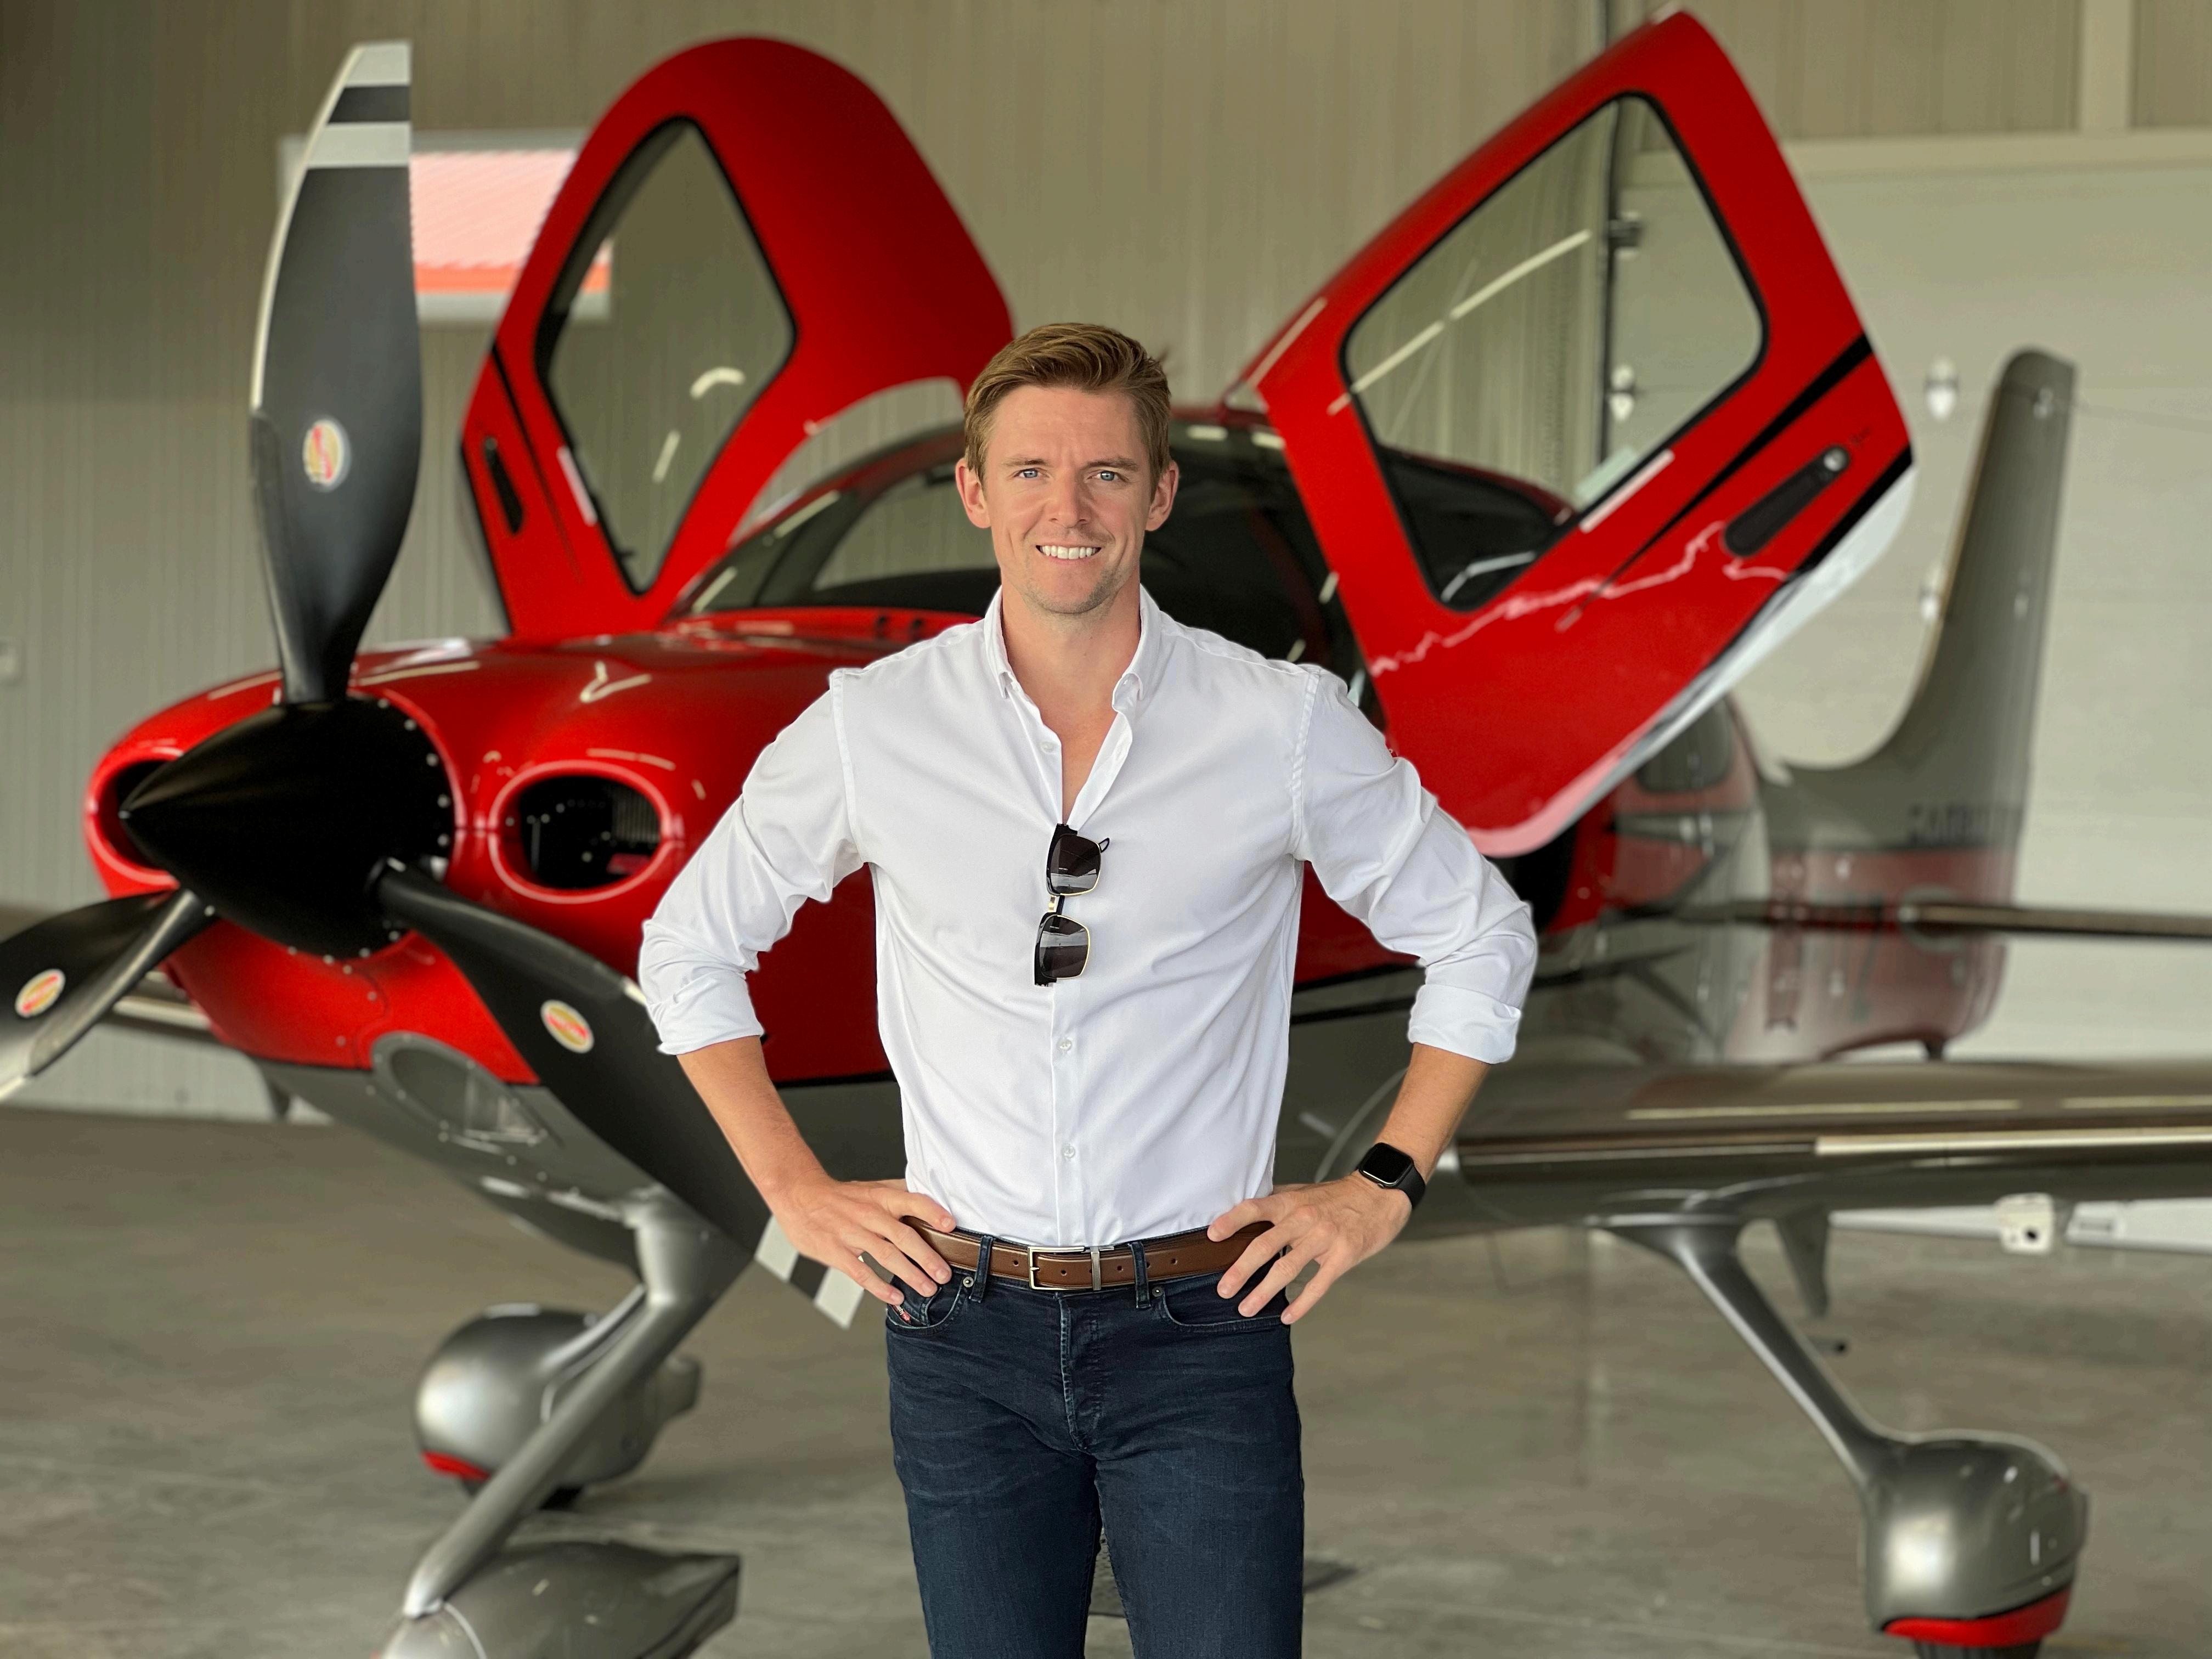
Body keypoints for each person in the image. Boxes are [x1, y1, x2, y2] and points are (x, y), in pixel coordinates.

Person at [639, 321, 1537, 1658]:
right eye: (1032, 471)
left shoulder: (1280, 724)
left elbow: (1481, 938)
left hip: (1203, 1326)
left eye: (1108, 473)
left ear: (1159, 495)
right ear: (974, 490)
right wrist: (792, 1191)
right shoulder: (874, 726)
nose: (1068, 509)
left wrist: (1380, 1187)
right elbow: (687, 948)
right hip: (959, 1331)